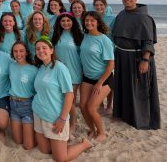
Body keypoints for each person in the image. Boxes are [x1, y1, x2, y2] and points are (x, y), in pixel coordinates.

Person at [33, 37, 92, 161]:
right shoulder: (41, 67)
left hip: (54, 117)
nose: (41, 51)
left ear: (51, 50)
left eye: (44, 48)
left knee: (60, 158)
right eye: (38, 49)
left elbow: (69, 95)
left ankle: (84, 144)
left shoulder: (60, 68)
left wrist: (62, 119)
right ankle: (62, 141)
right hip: (38, 113)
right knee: (44, 150)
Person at [112, 0, 160, 130]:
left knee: (138, 89)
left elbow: (148, 41)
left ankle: (139, 118)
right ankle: (123, 115)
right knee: (123, 86)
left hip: (137, 58)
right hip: (121, 56)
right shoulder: (121, 15)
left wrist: (145, 60)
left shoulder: (144, 18)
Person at [79, 11, 114, 142]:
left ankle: (101, 133)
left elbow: (111, 64)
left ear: (98, 22)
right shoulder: (85, 37)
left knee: (91, 108)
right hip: (87, 78)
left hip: (103, 79)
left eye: (92, 20)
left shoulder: (104, 40)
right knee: (82, 106)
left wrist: (99, 83)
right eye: (86, 20)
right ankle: (92, 130)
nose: (89, 23)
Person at [51, 12, 83, 136]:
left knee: (70, 101)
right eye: (62, 21)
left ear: (73, 22)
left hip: (74, 72)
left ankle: (73, 124)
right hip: (58, 71)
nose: (65, 23)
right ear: (59, 23)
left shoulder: (79, 36)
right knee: (61, 98)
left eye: (68, 21)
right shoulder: (55, 35)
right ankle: (65, 119)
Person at [9, 41, 37, 150]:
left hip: (27, 106)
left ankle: (35, 134)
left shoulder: (33, 69)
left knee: (28, 146)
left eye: (21, 51)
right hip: (13, 105)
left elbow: (37, 90)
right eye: (15, 51)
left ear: (26, 53)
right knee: (17, 141)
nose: (18, 54)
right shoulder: (11, 66)